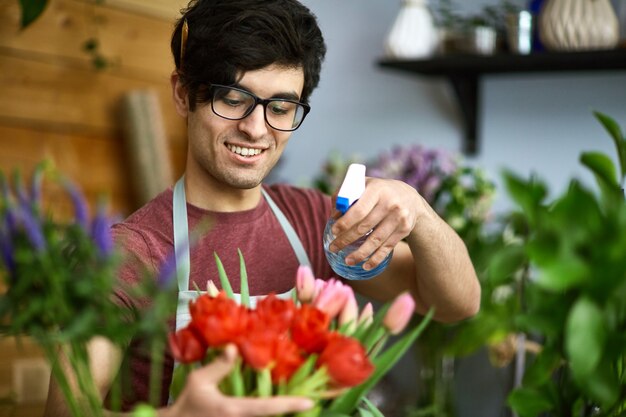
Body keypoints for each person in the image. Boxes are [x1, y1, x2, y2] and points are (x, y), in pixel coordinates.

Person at [44, 0, 480, 416]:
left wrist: (418, 212)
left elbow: (456, 304)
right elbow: (66, 411)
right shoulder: (128, 254)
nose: (256, 129)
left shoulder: (315, 222)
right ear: (182, 94)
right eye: (233, 99)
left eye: (281, 106)